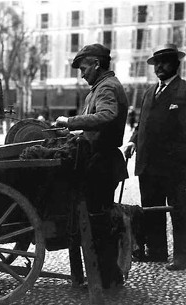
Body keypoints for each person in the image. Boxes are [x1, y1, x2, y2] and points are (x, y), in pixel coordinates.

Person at [54, 43, 129, 289]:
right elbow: (95, 126)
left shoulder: (106, 87)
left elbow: (107, 116)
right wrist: (77, 134)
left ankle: (107, 280)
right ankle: (106, 277)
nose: (82, 73)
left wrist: (71, 121)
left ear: (97, 64)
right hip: (97, 160)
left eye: (84, 67)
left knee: (99, 224)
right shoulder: (98, 88)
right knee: (97, 221)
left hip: (102, 163)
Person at [124, 43, 186, 271]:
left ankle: (182, 256)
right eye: (156, 63)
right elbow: (142, 124)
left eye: (165, 61)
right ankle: (157, 251)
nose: (160, 66)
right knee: (151, 208)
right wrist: (132, 141)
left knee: (180, 210)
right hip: (148, 164)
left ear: (176, 64)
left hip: (175, 166)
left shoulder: (183, 91)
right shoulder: (149, 92)